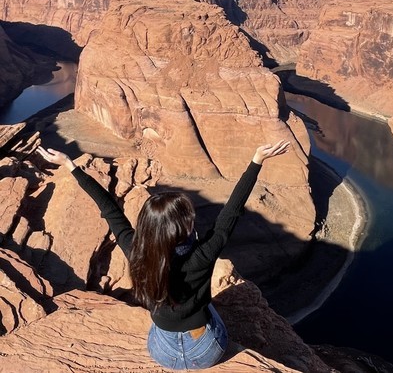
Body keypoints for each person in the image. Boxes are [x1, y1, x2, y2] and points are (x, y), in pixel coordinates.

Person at [36, 140, 290, 370]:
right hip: (206, 352)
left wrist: (70, 165)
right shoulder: (202, 255)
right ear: (184, 229)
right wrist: (256, 161)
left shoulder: (136, 250)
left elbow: (109, 209)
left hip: (162, 353)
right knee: (211, 309)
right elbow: (230, 214)